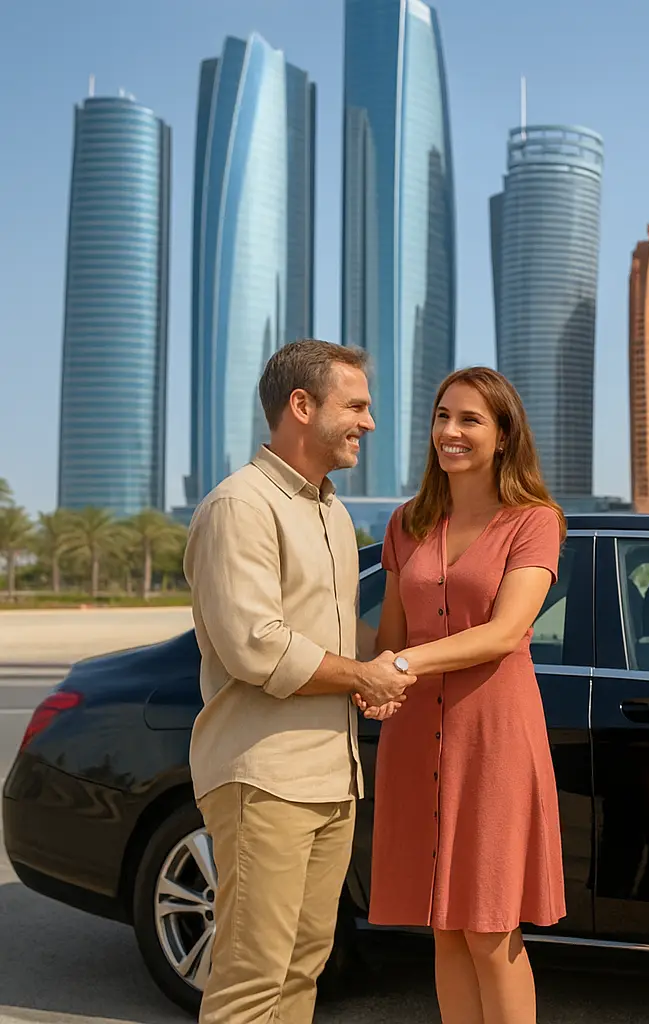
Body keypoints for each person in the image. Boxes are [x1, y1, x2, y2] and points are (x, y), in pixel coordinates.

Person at [184, 340, 417, 1024]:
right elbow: (258, 646)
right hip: (265, 778)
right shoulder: (240, 507)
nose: (368, 423)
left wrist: (408, 659)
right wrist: (365, 676)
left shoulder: (332, 514)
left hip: (329, 775)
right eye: (357, 406)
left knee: (302, 969)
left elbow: (340, 639)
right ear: (301, 405)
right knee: (252, 979)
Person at [362, 366, 566, 1024]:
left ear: (504, 436)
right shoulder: (408, 523)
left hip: (495, 741)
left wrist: (401, 663)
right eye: (442, 416)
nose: (450, 431)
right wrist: (358, 666)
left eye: (470, 419)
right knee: (443, 925)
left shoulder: (534, 521)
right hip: (416, 736)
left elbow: (504, 633)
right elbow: (388, 637)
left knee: (488, 925)